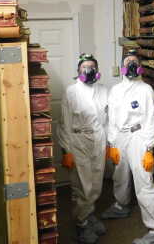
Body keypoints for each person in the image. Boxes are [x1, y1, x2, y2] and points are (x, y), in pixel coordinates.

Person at [102, 50, 154, 244]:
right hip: (120, 137)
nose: (130, 64)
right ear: (122, 66)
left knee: (144, 181)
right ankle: (121, 206)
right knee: (119, 175)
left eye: (134, 62)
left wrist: (148, 148)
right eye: (127, 61)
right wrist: (112, 143)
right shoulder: (115, 90)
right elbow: (111, 119)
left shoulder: (145, 90)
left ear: (139, 67)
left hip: (138, 137)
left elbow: (151, 120)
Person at [57, 53, 108, 244]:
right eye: (84, 67)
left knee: (96, 184)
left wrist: (110, 143)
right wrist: (66, 150)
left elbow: (107, 119)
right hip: (78, 142)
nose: (88, 70)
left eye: (92, 67)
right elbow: (64, 123)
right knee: (82, 186)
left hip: (98, 140)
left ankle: (89, 214)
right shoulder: (71, 91)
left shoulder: (103, 90)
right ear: (78, 71)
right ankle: (81, 224)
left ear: (97, 70)